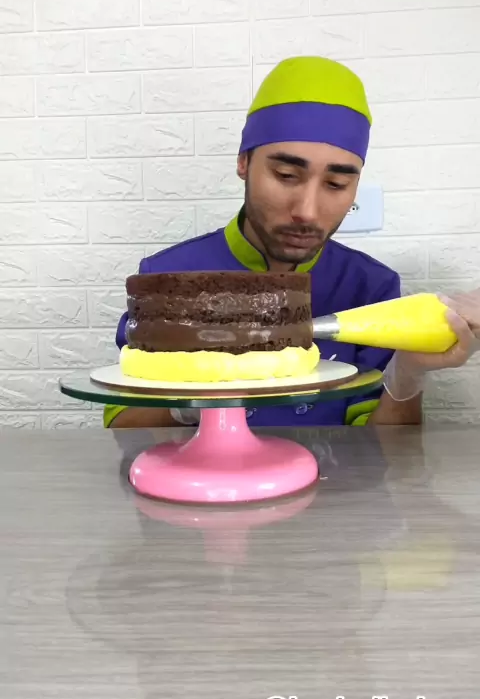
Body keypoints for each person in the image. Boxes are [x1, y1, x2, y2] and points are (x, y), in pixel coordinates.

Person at [104, 56, 480, 430]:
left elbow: (384, 452)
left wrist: (408, 372)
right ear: (243, 162)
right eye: (286, 175)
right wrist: (192, 403)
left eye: (336, 184)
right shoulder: (166, 278)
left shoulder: (370, 289)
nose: (308, 211)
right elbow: (123, 427)